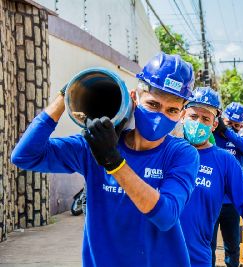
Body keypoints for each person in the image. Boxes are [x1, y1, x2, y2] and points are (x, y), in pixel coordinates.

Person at [11, 53, 200, 267]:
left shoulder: (182, 154)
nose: (160, 116)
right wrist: (67, 94)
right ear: (135, 98)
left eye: (172, 110)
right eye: (153, 105)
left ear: (181, 114)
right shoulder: (96, 145)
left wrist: (114, 162)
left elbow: (166, 216)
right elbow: (25, 156)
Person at [180, 87, 243, 267]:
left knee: (231, 245)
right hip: (160, 258)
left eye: (206, 119)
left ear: (214, 125)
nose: (198, 123)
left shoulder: (224, 160)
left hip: (198, 260)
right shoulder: (166, 150)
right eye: (193, 116)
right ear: (182, 116)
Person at [212, 102, 243, 267]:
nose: (233, 127)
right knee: (209, 244)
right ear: (222, 119)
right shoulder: (213, 136)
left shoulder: (240, 140)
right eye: (229, 123)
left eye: (237, 125)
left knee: (232, 246)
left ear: (242, 125)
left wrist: (227, 131)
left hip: (231, 203)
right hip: (212, 200)